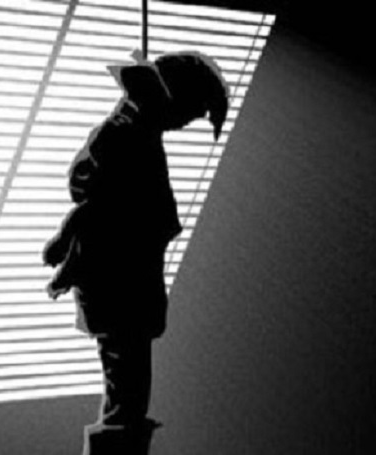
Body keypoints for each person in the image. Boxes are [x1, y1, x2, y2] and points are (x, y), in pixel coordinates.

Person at [42, 50, 229, 455]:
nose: (186, 122)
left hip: (124, 288)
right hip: (120, 290)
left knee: (126, 393)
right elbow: (94, 203)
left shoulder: (135, 135)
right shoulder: (127, 137)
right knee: (125, 394)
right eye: (190, 113)